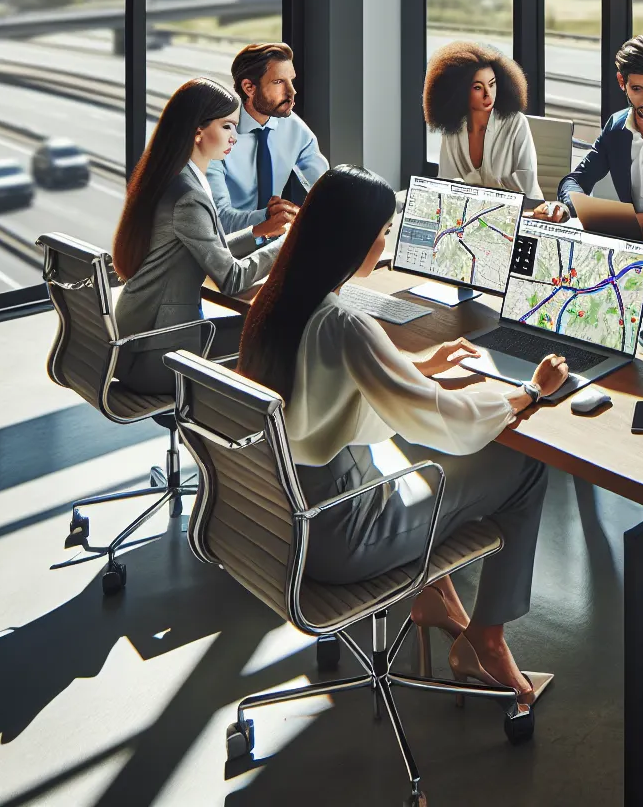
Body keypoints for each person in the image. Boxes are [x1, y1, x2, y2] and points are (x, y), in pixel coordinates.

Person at [237, 165, 571, 703]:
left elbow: (341, 385)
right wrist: (529, 392)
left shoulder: (276, 304)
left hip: (281, 515)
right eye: (385, 233)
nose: (388, 243)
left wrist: (419, 363)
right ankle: (484, 640)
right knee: (524, 467)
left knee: (405, 450)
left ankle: (435, 598)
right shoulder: (344, 324)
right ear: (355, 241)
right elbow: (441, 418)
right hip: (341, 535)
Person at [111, 78, 290, 393]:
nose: (235, 137)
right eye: (227, 127)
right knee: (276, 337)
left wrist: (260, 233)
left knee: (265, 332)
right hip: (158, 355)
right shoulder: (189, 196)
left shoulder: (175, 176)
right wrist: (289, 245)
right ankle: (257, 433)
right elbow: (232, 279)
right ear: (197, 131)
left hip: (136, 341)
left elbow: (209, 250)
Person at [537, 34, 643, 232]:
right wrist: (565, 206)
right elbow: (575, 180)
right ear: (622, 81)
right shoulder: (616, 127)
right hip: (632, 239)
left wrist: (631, 221)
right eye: (637, 89)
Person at [207, 42, 330, 235]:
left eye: (291, 80)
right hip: (228, 248)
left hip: (275, 243)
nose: (292, 92)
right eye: (279, 82)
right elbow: (218, 219)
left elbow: (324, 191)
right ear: (249, 88)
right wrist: (271, 216)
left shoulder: (294, 129)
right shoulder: (217, 134)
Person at [424, 41, 544, 199]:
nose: (488, 94)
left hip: (524, 213)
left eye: (492, 84)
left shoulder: (516, 123)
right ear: (459, 91)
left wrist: (471, 185)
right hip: (470, 215)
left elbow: (526, 185)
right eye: (478, 88)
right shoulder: (453, 128)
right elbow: (446, 184)